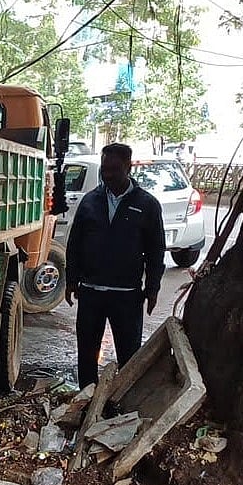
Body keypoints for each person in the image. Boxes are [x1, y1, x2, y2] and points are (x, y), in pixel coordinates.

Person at [64, 143, 166, 388]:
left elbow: (156, 250)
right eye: (104, 169)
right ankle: (87, 400)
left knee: (129, 356)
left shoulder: (147, 204)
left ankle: (125, 404)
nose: (108, 175)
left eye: (114, 169)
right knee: (87, 354)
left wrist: (152, 288)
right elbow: (74, 243)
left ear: (128, 167)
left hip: (127, 296)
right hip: (90, 293)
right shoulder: (90, 202)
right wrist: (70, 280)